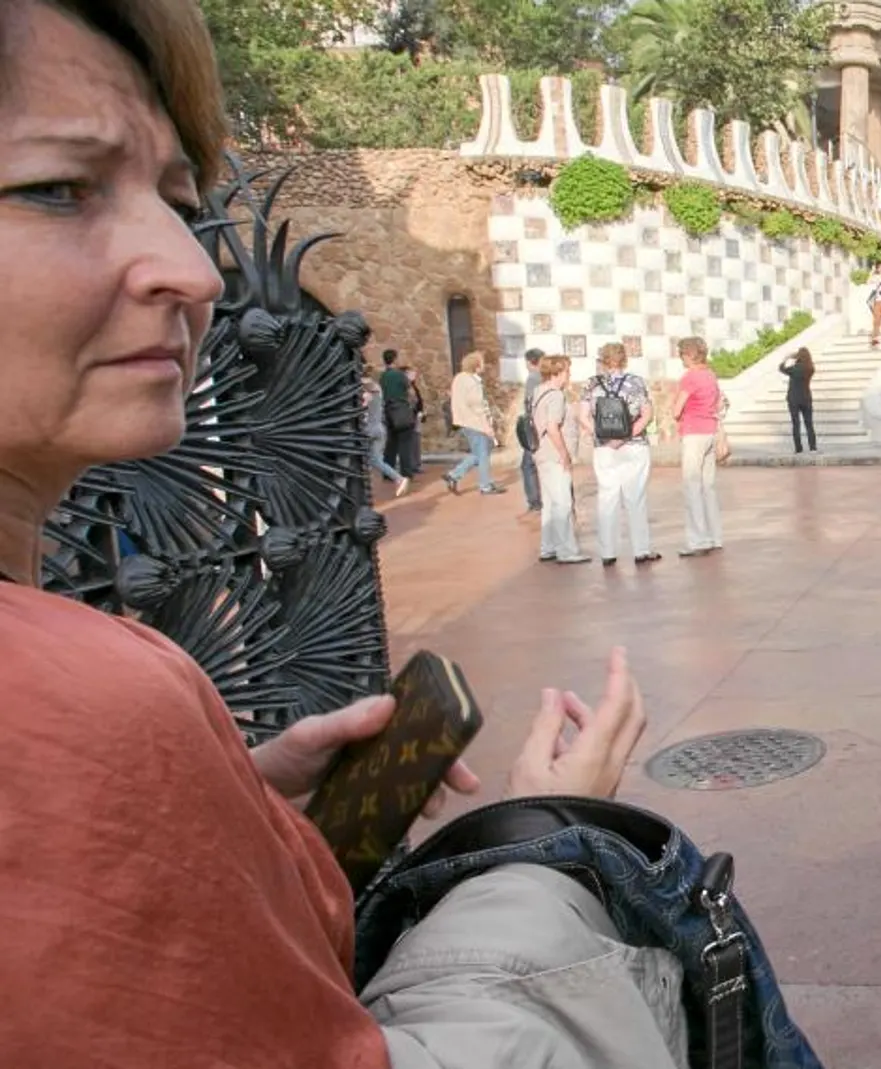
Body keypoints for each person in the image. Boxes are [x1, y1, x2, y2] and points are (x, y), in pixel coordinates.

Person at [0, 2, 668, 1064]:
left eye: (179, 199)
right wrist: (545, 839)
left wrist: (243, 812)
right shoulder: (67, 694)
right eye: (55, 189)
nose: (195, 268)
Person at [581, 342, 658, 566]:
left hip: (604, 448)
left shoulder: (591, 384)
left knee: (607, 498)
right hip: (634, 445)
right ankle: (641, 550)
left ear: (602, 360)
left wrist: (603, 437)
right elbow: (647, 414)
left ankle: (608, 553)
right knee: (635, 498)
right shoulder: (635, 382)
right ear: (624, 359)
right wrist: (625, 436)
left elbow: (583, 417)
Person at [529, 355, 588, 564]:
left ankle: (549, 546)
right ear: (557, 373)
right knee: (562, 503)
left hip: (541, 454)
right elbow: (553, 427)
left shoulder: (538, 392)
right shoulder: (555, 396)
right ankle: (567, 550)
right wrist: (564, 454)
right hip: (553, 456)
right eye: (566, 371)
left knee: (550, 503)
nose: (569, 375)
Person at [671, 337, 725, 557]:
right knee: (708, 486)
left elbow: (676, 410)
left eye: (682, 354)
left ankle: (697, 540)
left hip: (693, 432)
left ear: (688, 354)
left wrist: (676, 410)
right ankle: (714, 536)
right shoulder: (710, 375)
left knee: (692, 485)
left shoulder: (690, 378)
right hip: (710, 431)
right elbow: (719, 403)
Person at [444, 351, 501, 495]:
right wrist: (487, 427)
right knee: (482, 455)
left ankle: (454, 475)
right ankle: (485, 486)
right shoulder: (472, 382)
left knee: (479, 454)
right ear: (476, 366)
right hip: (475, 423)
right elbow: (478, 407)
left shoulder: (459, 378)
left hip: (464, 421)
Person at [378, 348, 421, 479]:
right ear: (395, 359)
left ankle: (387, 472)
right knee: (405, 442)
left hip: (388, 410)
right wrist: (413, 404)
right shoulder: (399, 375)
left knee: (391, 443)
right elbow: (411, 393)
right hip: (401, 409)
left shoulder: (383, 376)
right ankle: (406, 473)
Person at [518, 348, 544, 512]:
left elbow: (530, 404)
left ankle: (534, 500)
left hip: (534, 426)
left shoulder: (533, 379)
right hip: (540, 424)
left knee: (528, 465)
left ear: (529, 362)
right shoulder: (544, 377)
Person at [781, 346, 817, 454]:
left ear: (799, 356)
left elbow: (781, 369)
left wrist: (786, 358)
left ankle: (798, 448)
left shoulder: (794, 369)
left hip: (793, 399)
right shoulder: (810, 369)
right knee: (809, 424)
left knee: (796, 424)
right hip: (806, 398)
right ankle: (813, 448)